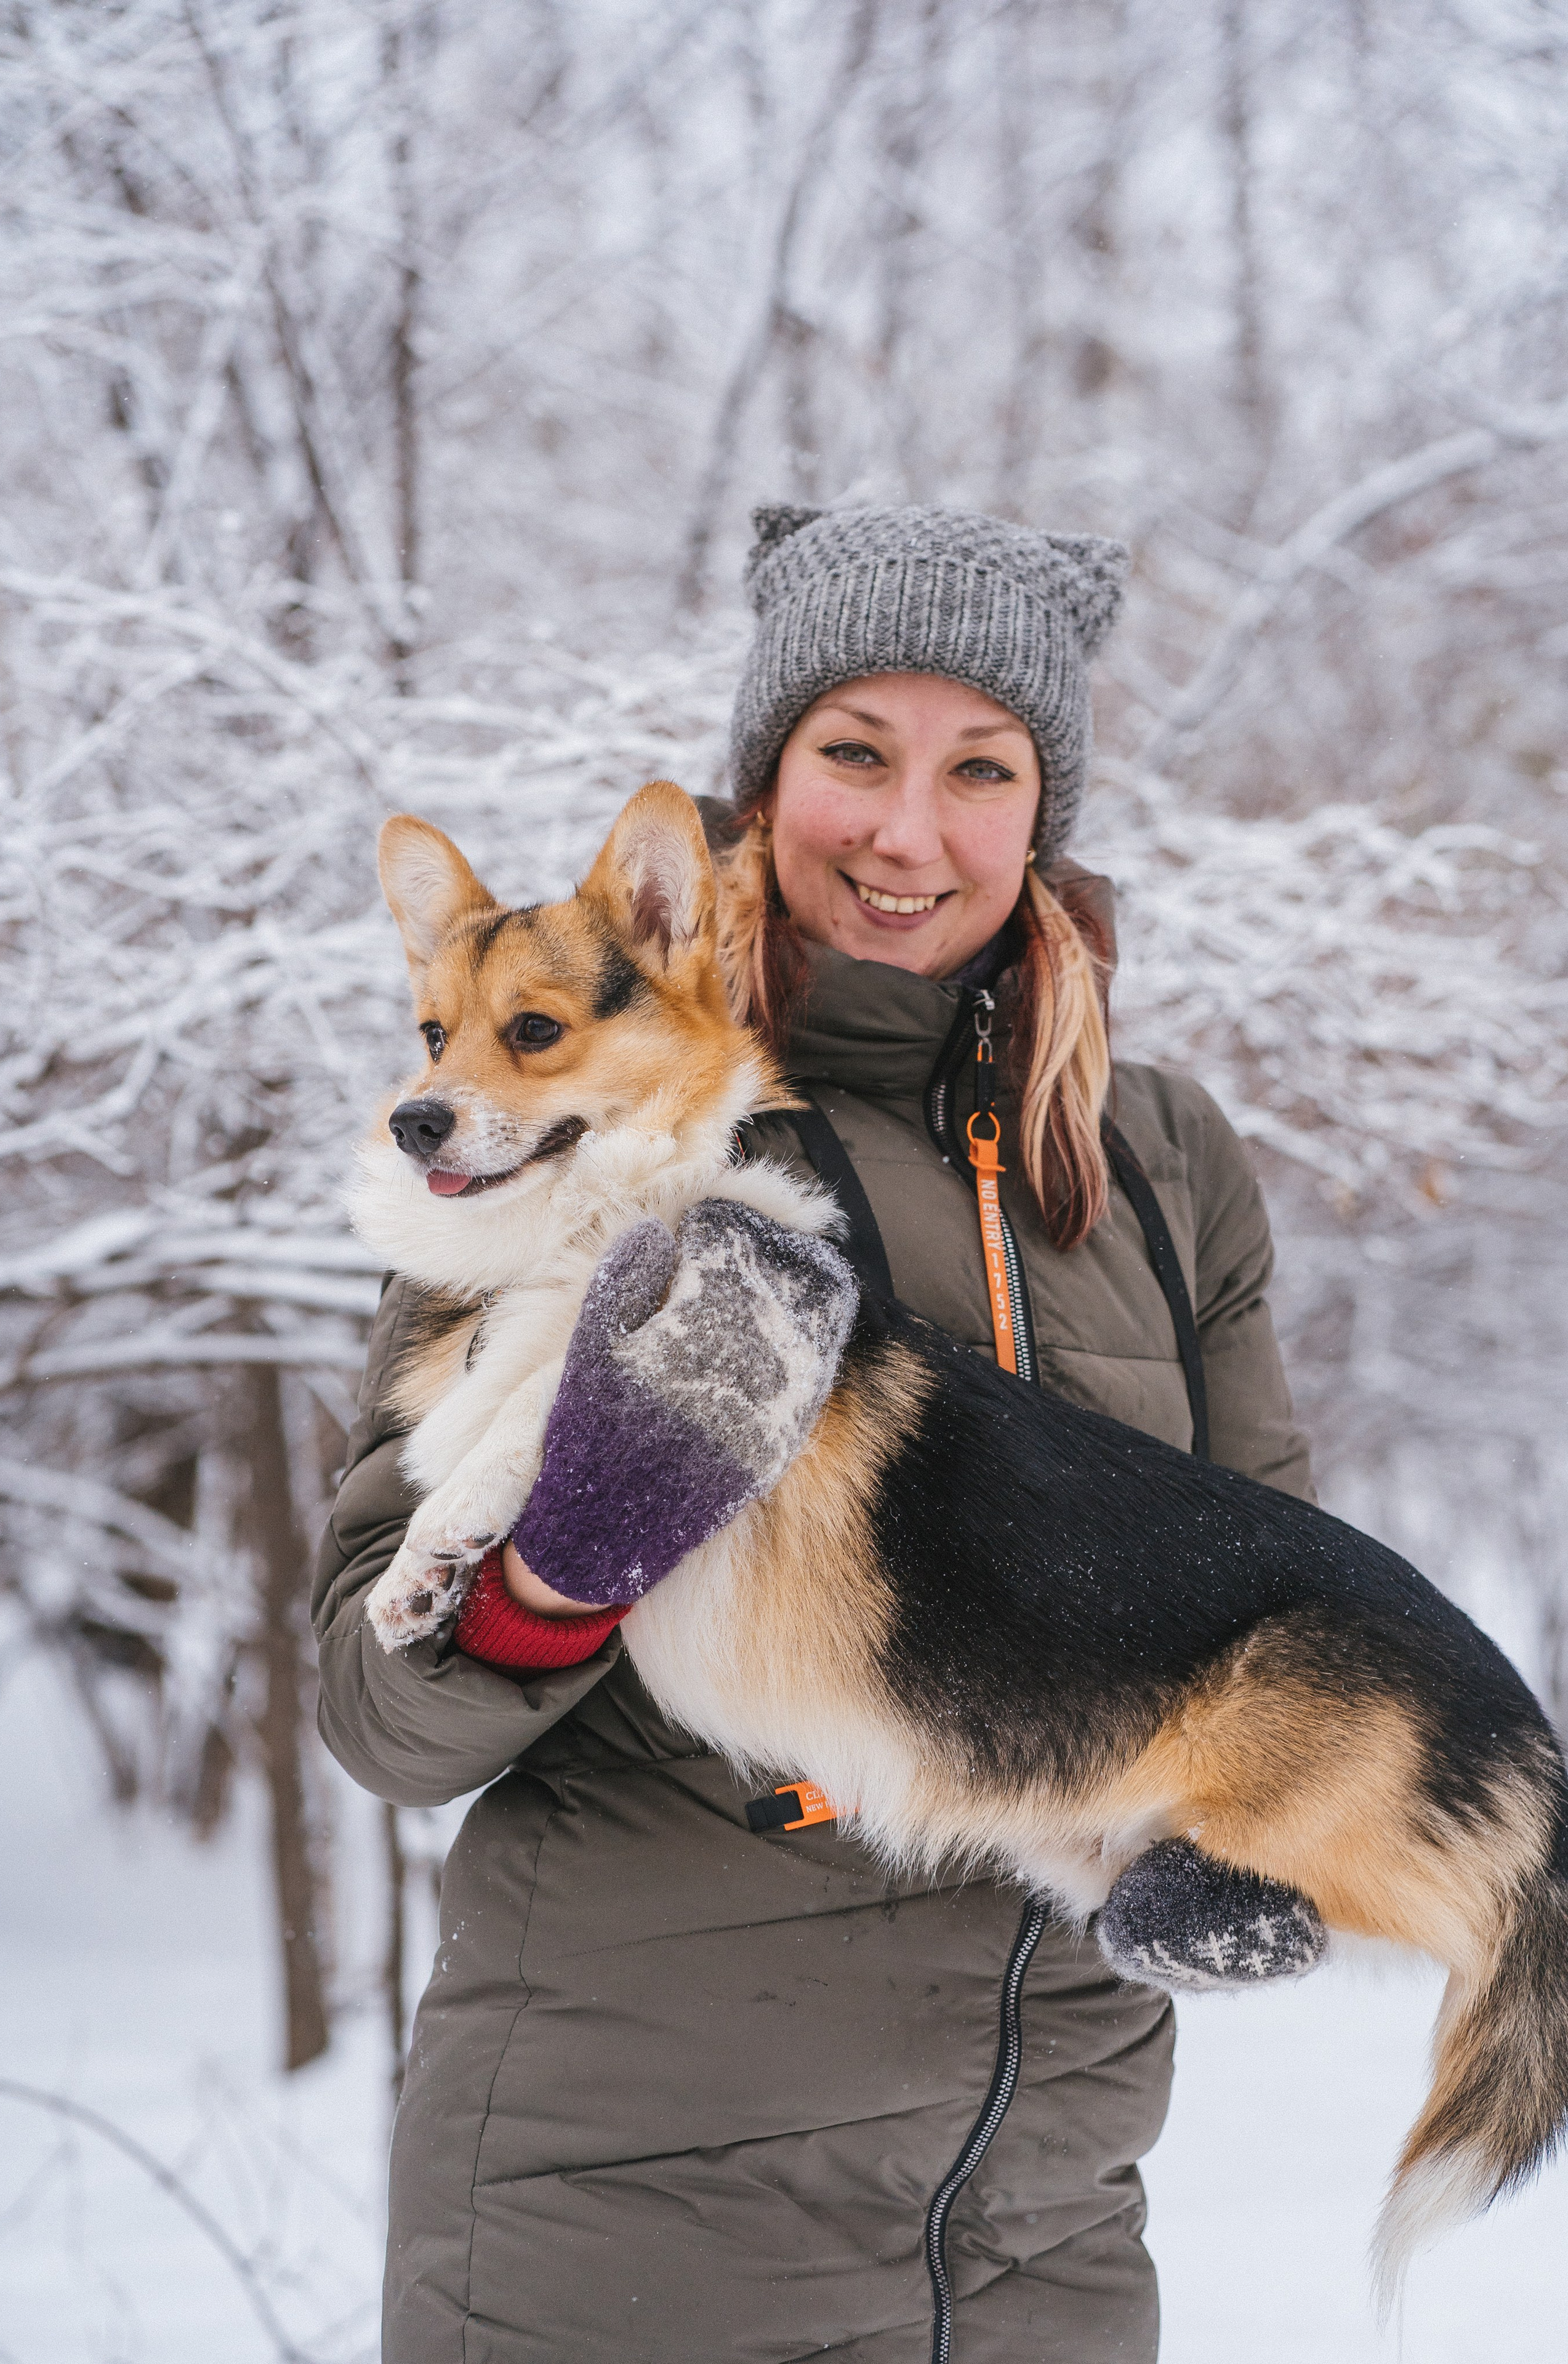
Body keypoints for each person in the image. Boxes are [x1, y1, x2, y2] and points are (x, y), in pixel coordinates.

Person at [314, 502, 1316, 2362]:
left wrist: (1256, 1826)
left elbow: (1264, 1614)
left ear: (1045, 810)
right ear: (759, 788)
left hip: (1047, 2230)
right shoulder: (579, 1137)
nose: (909, 831)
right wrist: (566, 1559)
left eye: (981, 769)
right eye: (853, 753)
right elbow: (383, 1717)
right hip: (634, 2214)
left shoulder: (1166, 1165)